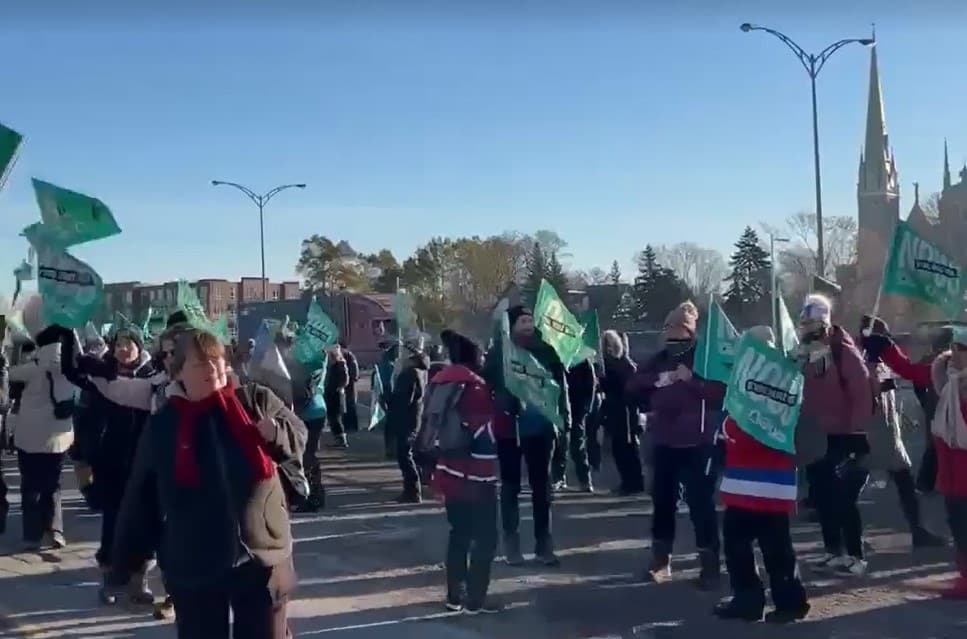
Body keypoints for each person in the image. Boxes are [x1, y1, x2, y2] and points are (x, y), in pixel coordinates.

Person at [107, 327, 306, 638]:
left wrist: (276, 433)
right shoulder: (164, 425)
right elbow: (141, 496)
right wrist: (125, 564)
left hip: (263, 554)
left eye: (215, 361)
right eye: (200, 364)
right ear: (179, 372)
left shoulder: (254, 400)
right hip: (194, 560)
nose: (212, 370)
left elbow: (298, 435)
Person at [626, 301, 726, 588]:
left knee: (700, 505)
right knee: (662, 502)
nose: (671, 333)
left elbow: (720, 391)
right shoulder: (659, 359)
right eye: (668, 327)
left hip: (698, 442)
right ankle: (661, 561)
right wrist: (659, 380)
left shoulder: (704, 359)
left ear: (689, 330)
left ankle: (709, 565)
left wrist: (691, 380)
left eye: (678, 327)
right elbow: (632, 386)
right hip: (665, 440)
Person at [713, 326, 809, 624]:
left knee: (740, 545)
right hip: (770, 484)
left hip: (751, 481)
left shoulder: (755, 386)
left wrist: (724, 430)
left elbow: (745, 431)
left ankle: (750, 600)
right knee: (777, 547)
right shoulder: (786, 385)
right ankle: (788, 601)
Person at [864, 324, 967, 598]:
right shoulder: (944, 373)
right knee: (958, 523)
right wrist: (885, 346)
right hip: (951, 468)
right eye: (956, 347)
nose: (956, 352)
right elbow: (908, 370)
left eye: (962, 348)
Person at [66, 328, 159, 605]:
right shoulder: (102, 374)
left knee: (143, 520)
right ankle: (111, 578)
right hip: (111, 459)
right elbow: (84, 409)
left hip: (144, 458)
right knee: (113, 519)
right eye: (118, 344)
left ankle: (138, 579)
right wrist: (84, 452)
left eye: (128, 344)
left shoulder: (152, 376)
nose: (123, 349)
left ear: (138, 347)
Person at [486, 306, 570, 567]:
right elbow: (486, 382)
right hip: (509, 428)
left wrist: (563, 418)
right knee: (510, 486)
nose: (527, 325)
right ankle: (512, 544)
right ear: (510, 325)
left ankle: (544, 544)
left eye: (530, 320)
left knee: (541, 487)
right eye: (522, 320)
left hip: (540, 426)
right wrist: (504, 399)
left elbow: (560, 386)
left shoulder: (546, 351)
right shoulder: (499, 352)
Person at [795, 294, 872, 577]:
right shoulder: (807, 352)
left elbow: (861, 391)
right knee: (824, 496)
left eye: (812, 322)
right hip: (819, 435)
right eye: (804, 323)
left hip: (844, 434)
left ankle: (856, 555)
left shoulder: (843, 352)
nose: (806, 328)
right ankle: (833, 550)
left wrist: (857, 432)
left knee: (844, 498)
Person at [427, 329, 502, 614]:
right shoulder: (477, 389)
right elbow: (485, 434)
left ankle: (453, 596)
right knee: (485, 538)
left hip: (447, 470)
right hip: (476, 476)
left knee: (458, 534)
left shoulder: (439, 383)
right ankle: (476, 599)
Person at [858, 316, 944, 549]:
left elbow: (908, 373)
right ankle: (847, 541)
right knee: (850, 483)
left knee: (896, 479)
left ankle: (917, 531)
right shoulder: (859, 361)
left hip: (884, 430)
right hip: (872, 431)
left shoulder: (877, 359)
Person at [8, 297, 74, 552]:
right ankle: (56, 530)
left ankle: (32, 534)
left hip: (29, 437)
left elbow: (9, 376)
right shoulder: (69, 366)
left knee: (30, 485)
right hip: (59, 435)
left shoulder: (32, 368)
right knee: (53, 484)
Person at [600, 330, 643, 495]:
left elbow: (626, 388)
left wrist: (604, 382)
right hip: (614, 410)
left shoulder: (625, 365)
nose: (608, 349)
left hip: (625, 411)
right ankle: (628, 481)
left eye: (610, 344)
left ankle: (633, 483)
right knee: (619, 449)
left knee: (628, 448)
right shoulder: (609, 364)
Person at [388, 335, 429, 503]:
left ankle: (412, 491)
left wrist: (388, 399)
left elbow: (403, 399)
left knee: (404, 455)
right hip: (413, 418)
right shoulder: (420, 371)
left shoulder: (409, 374)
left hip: (406, 419)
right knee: (408, 454)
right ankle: (413, 489)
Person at [553, 357, 595, 492]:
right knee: (561, 444)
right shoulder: (556, 360)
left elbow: (591, 385)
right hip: (562, 406)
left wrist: (586, 407)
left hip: (577, 407)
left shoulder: (582, 361)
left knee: (578, 444)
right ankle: (559, 477)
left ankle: (585, 480)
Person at [375, 341, 398, 459]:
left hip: (383, 393)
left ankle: (389, 448)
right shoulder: (391, 366)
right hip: (390, 393)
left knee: (388, 422)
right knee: (393, 422)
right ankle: (392, 448)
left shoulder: (381, 363)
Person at [324, 344, 349, 448]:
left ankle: (342, 440)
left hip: (336, 394)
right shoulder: (331, 364)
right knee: (332, 417)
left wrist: (340, 387)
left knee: (336, 418)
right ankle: (338, 440)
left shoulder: (340, 364)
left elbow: (345, 378)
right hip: (330, 393)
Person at [339, 339, 360, 432]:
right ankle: (352, 426)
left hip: (345, 383)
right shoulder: (349, 355)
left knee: (345, 405)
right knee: (350, 404)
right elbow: (355, 369)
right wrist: (355, 377)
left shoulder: (344, 355)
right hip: (350, 383)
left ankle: (348, 425)